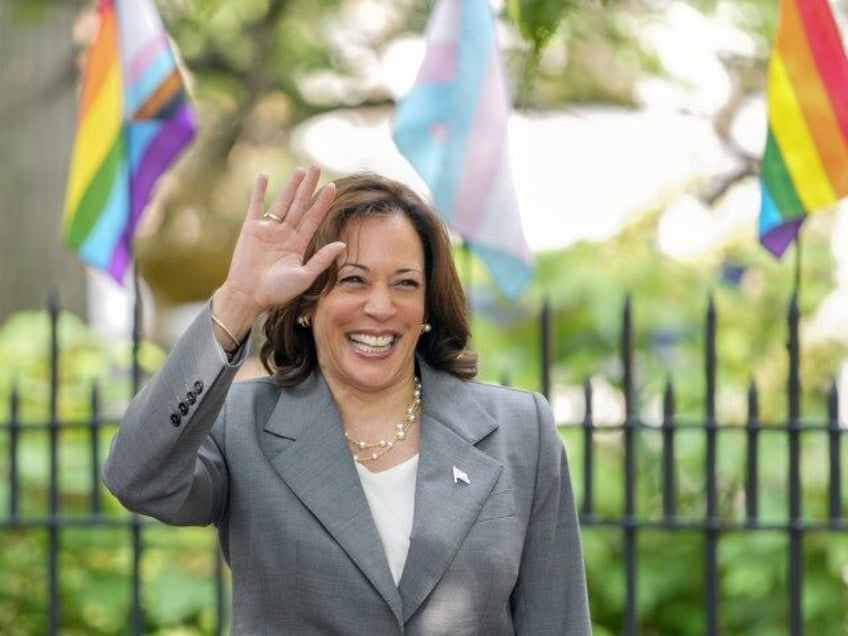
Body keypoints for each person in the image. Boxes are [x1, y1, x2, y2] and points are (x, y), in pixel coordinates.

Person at [102, 165, 591, 635]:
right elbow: (138, 479)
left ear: (426, 307)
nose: (380, 307)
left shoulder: (521, 430)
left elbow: (559, 622)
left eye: (405, 283)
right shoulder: (241, 425)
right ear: (307, 306)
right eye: (353, 280)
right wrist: (239, 299)